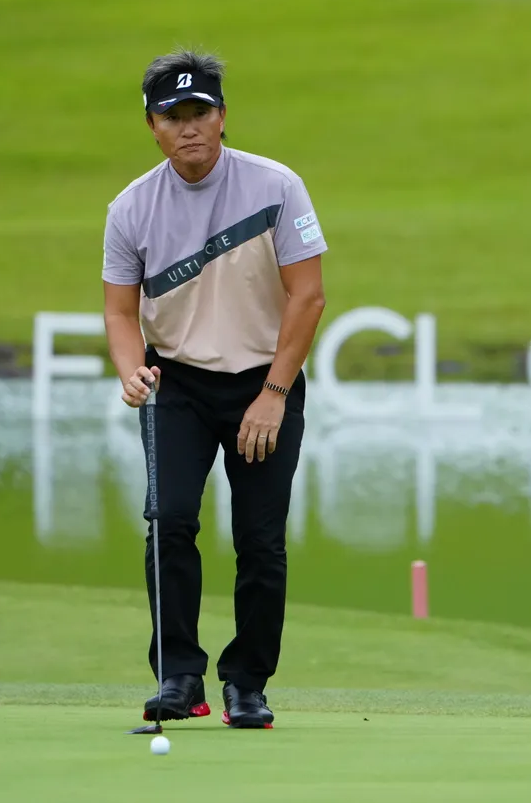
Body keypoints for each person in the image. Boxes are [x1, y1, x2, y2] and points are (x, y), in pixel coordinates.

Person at [101, 47, 328, 728]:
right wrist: (130, 370)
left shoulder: (277, 187)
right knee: (168, 520)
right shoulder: (131, 208)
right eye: (173, 116)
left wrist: (274, 394)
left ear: (223, 116)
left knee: (259, 539)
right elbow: (120, 311)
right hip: (178, 383)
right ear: (152, 126)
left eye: (200, 111)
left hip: (265, 379)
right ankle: (179, 676)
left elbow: (308, 296)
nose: (189, 127)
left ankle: (246, 683)